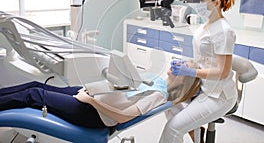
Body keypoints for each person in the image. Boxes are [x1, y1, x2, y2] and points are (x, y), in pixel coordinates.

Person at [159, 0, 238, 143]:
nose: (197, 4)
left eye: (202, 0)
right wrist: (186, 64)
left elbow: (222, 72)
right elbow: (204, 58)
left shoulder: (224, 31)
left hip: (218, 95)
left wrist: (191, 72)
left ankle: (190, 132)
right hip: (202, 85)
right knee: (167, 100)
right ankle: (197, 135)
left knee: (172, 128)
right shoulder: (204, 26)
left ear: (216, 3)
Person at [0, 71, 200, 129]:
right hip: (94, 96)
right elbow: (127, 93)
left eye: (182, 67)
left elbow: (123, 117)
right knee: (36, 85)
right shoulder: (158, 82)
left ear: (183, 80)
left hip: (93, 113)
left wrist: (90, 101)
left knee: (33, 95)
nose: (176, 65)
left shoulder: (158, 95)